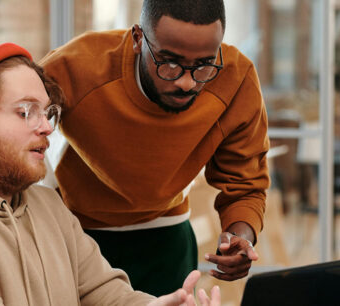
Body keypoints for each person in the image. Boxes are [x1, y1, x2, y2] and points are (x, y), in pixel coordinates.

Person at [0, 43, 219, 306]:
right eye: (25, 112)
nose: (47, 127)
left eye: (47, 112)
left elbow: (104, 294)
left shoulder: (46, 204)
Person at [40, 0, 270, 296]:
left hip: (167, 235)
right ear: (138, 39)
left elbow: (246, 183)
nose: (187, 83)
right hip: (76, 234)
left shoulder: (236, 79)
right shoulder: (76, 67)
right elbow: (14, 127)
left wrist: (242, 236)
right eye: (169, 62)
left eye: (203, 65)